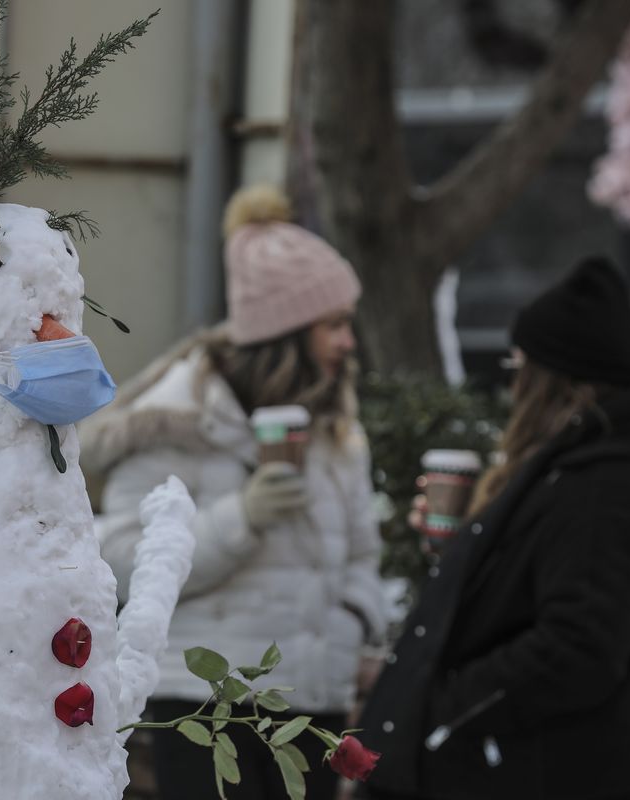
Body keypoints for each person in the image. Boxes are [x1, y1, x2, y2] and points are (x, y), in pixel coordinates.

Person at [80, 186, 387, 800]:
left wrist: (353, 625)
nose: (348, 342)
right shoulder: (180, 419)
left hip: (311, 703)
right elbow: (118, 561)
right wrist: (240, 518)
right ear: (285, 332)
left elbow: (361, 555)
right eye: (333, 325)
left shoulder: (333, 425)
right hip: (206, 709)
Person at [356, 256, 630, 800]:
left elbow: (578, 647)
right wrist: (467, 552)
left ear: (550, 382)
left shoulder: (601, 491)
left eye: (517, 367)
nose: (510, 387)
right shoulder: (583, 469)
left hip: (557, 774)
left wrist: (447, 709)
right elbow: (539, 594)